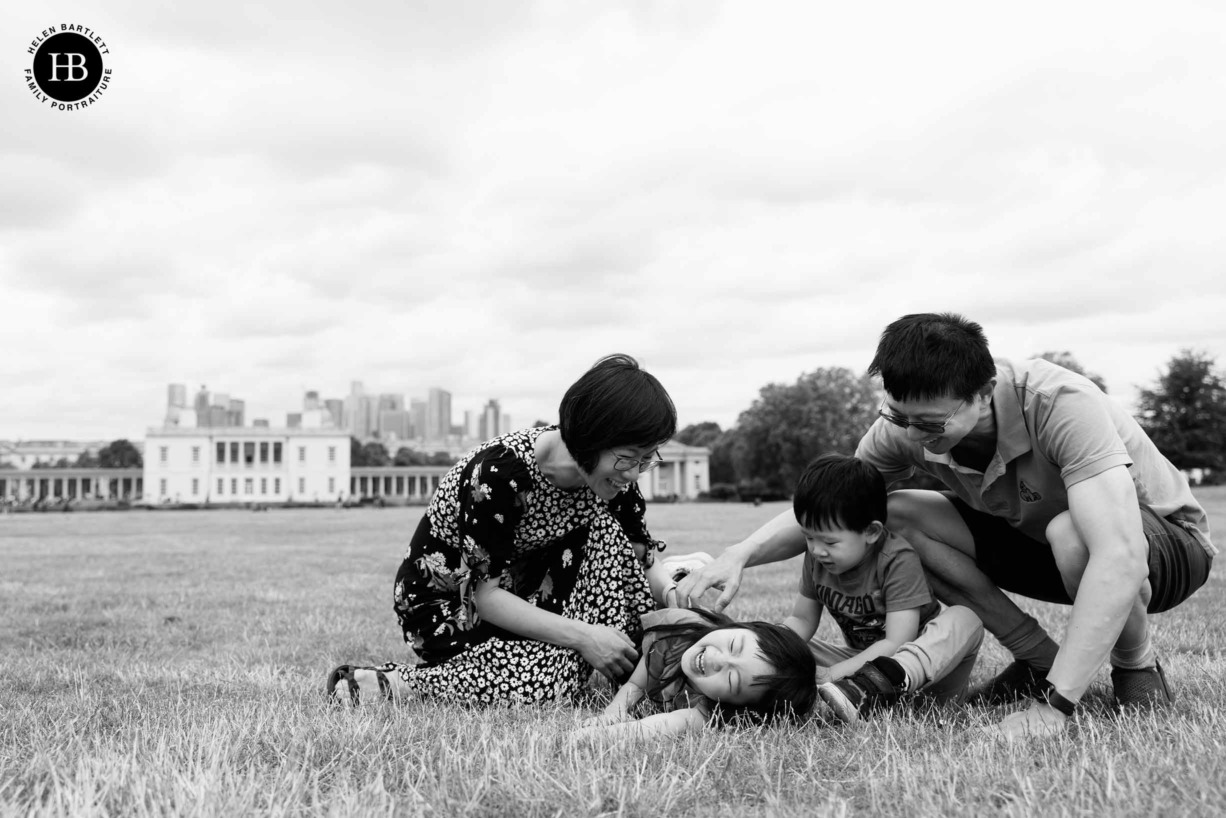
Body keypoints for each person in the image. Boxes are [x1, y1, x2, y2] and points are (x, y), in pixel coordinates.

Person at [677, 313, 1215, 738]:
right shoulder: (906, 426)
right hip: (1042, 546)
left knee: (1071, 533)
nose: (912, 433)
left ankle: (1136, 666)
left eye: (930, 423)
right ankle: (1035, 657)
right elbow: (835, 510)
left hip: (1166, 550)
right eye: (898, 415)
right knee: (900, 514)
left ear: (984, 392)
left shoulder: (1060, 405)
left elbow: (1118, 554)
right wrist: (740, 553)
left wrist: (1056, 706)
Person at [327, 354, 682, 706]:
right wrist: (585, 636)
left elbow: (638, 559)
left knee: (608, 534)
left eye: (646, 459)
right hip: (453, 607)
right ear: (590, 437)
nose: (635, 474)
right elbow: (487, 597)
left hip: (533, 590)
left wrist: (675, 597)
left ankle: (638, 660)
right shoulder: (500, 474)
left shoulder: (614, 480)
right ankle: (400, 684)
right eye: (628, 457)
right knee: (549, 685)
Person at [782, 453, 984, 724]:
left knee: (965, 618)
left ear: (871, 532)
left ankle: (858, 691)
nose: (817, 550)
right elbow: (802, 620)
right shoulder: (816, 560)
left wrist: (834, 674)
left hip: (922, 677)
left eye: (830, 542)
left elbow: (896, 642)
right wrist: (769, 644)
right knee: (786, 647)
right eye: (808, 537)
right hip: (860, 668)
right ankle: (776, 689)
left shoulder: (896, 560)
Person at [573, 606, 816, 741]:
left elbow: (662, 725)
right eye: (733, 645)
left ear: (735, 705)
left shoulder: (709, 709)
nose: (716, 660)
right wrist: (612, 714)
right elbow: (636, 685)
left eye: (732, 679)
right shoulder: (679, 633)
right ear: (740, 627)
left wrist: (599, 736)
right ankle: (682, 572)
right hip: (639, 646)